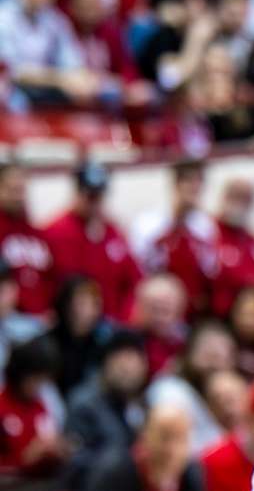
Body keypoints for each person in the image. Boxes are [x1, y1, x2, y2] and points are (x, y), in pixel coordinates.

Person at [44, 162, 144, 321]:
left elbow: (133, 279)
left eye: (99, 196)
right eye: (90, 196)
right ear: (77, 194)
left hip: (113, 321)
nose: (95, 203)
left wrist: (126, 316)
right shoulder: (56, 232)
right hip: (72, 323)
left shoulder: (113, 232)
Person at [130, 159, 217, 318]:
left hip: (192, 313)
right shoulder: (149, 224)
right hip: (158, 311)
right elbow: (139, 270)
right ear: (176, 184)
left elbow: (209, 271)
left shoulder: (205, 227)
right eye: (189, 182)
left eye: (199, 183)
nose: (194, 188)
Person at [64, 329, 149, 488]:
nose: (127, 369)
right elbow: (75, 464)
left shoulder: (141, 403)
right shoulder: (84, 403)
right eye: (121, 361)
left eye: (134, 362)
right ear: (105, 363)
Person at [147, 320, 237, 455]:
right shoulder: (169, 390)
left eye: (222, 356)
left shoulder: (228, 397)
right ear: (189, 353)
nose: (215, 363)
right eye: (209, 353)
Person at [85, 404, 205, 491]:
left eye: (181, 439)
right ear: (145, 436)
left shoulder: (191, 474)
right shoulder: (114, 471)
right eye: (164, 437)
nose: (171, 450)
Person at [0, 337, 67, 480]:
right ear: (20, 373)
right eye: (35, 378)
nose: (39, 385)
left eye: (43, 380)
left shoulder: (40, 406)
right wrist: (25, 459)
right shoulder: (2, 406)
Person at [210, 179, 254, 319]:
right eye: (236, 196)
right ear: (224, 197)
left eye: (247, 199)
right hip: (216, 319)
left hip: (251, 321)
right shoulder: (207, 232)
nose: (240, 204)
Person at [0, 163, 55, 316]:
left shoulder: (37, 235)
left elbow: (51, 277)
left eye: (21, 190)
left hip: (42, 319)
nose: (18, 196)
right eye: (12, 190)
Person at [130, 274, 189, 376]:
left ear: (179, 310)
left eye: (165, 310)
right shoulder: (129, 342)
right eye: (154, 309)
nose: (159, 317)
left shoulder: (188, 343)